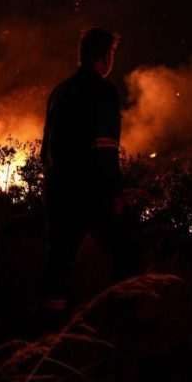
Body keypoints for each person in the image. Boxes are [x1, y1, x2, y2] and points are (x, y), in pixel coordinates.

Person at [38, 28, 140, 324]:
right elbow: (105, 148)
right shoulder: (103, 90)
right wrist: (114, 194)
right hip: (90, 192)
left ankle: (49, 326)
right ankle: (123, 318)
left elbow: (46, 147)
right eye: (112, 54)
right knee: (127, 247)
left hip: (58, 190)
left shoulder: (60, 91)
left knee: (58, 258)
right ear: (106, 56)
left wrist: (52, 184)